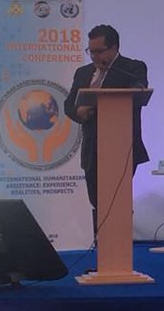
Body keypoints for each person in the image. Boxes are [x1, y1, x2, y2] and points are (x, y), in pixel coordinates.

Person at [64, 24, 150, 235]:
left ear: (114, 48)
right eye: (91, 51)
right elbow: (68, 105)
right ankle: (103, 247)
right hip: (92, 149)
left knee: (116, 199)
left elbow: (138, 91)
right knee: (97, 200)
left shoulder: (132, 68)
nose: (95, 56)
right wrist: (79, 112)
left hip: (123, 148)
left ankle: (119, 247)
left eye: (99, 51)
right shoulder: (83, 73)